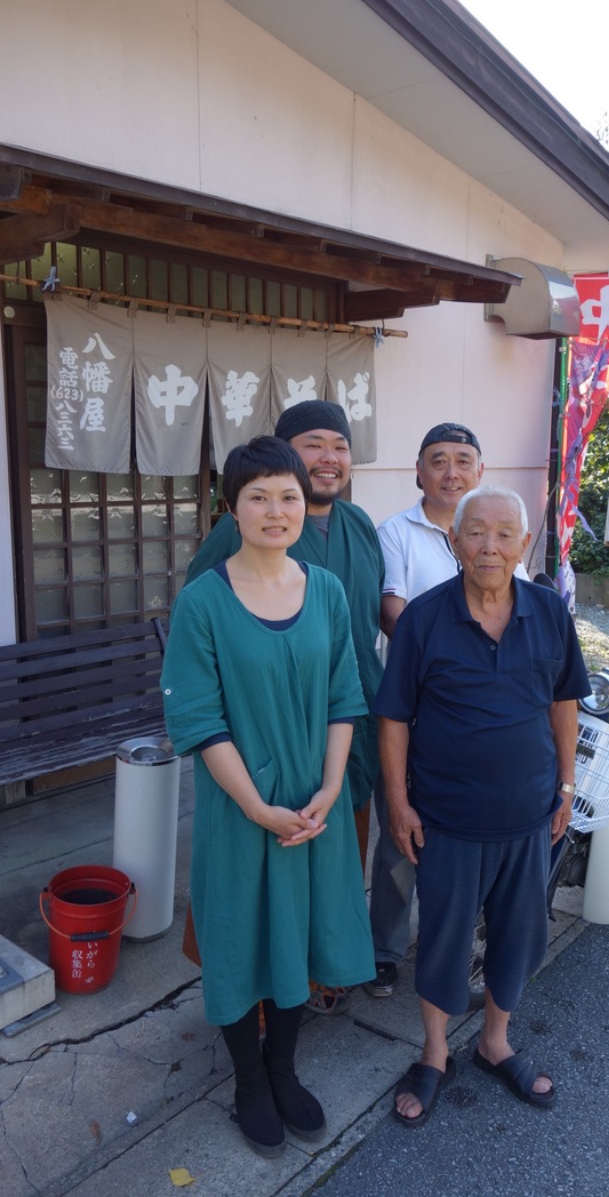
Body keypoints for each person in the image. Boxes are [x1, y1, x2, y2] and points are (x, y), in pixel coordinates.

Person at [161, 436, 374, 1157]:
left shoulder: (328, 591)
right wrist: (256, 806)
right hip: (240, 810)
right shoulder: (202, 603)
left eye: (287, 495)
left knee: (302, 935)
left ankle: (284, 1069)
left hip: (315, 808)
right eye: (258, 497)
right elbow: (197, 718)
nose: (276, 510)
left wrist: (333, 787)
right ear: (232, 509)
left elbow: (346, 694)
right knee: (238, 939)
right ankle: (247, 1081)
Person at [374, 486, 589, 1127]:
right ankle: (436, 1053)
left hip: (529, 814)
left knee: (520, 937)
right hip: (447, 817)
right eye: (476, 533)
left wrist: (569, 784)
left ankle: (495, 1043)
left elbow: (564, 705)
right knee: (441, 941)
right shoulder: (424, 618)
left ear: (524, 544)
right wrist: (397, 800)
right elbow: (393, 717)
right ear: (454, 542)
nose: (489, 546)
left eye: (504, 534)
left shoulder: (550, 613)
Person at [185, 400, 384, 1013]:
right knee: (250, 881)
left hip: (346, 727)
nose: (329, 458)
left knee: (330, 861)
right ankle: (251, 994)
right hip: (261, 738)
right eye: (313, 444)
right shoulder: (237, 534)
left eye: (340, 446)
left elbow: (372, 623)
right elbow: (204, 642)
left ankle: (317, 976)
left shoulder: (358, 526)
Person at [366, 424, 525, 998]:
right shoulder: (395, 533)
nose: (451, 471)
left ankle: (458, 946)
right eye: (438, 460)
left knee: (469, 840)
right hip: (414, 713)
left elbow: (519, 607)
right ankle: (385, 948)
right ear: (419, 471)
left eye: (463, 460)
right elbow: (392, 610)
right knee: (399, 838)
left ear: (480, 471)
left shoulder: (500, 528)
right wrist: (452, 655)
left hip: (487, 722)